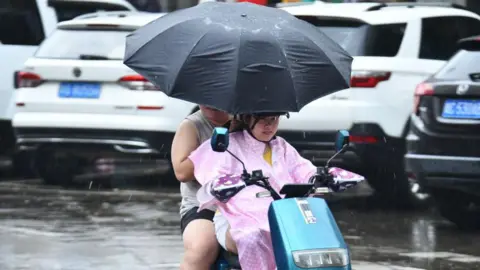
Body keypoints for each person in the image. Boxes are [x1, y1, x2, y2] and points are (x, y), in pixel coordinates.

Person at [188, 112, 318, 269]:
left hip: (283, 217)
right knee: (252, 237)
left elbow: (303, 170)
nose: (269, 125)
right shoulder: (229, 146)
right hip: (235, 219)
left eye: (274, 119)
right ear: (247, 119)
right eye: (262, 119)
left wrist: (319, 177)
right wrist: (230, 183)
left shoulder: (281, 146)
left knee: (316, 235)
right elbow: (213, 179)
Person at [171, 105, 230, 270]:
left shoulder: (248, 121)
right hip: (203, 206)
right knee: (203, 246)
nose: (210, 105)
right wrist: (212, 148)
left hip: (244, 204)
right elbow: (182, 173)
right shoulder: (192, 125)